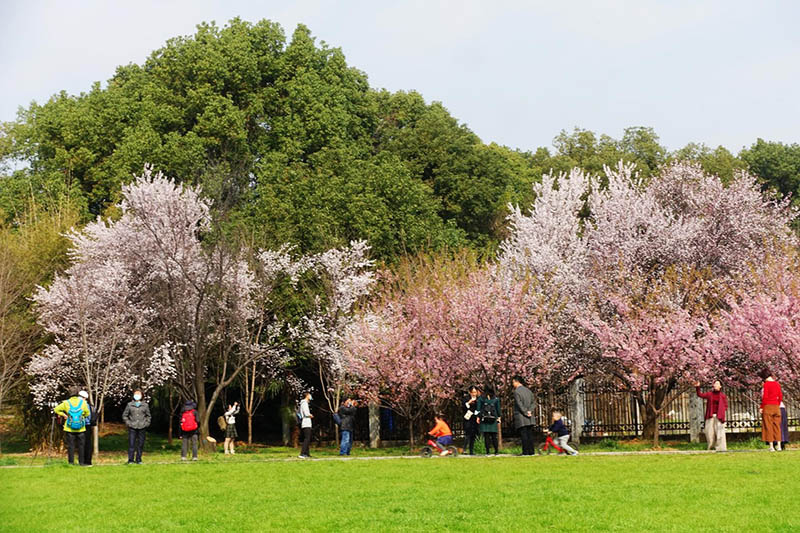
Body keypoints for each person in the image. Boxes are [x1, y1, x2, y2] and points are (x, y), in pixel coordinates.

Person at [53, 386, 90, 466]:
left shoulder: (66, 403)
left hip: (69, 428)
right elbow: (87, 413)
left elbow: (56, 409)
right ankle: (81, 462)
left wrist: (64, 415)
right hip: (81, 428)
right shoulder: (83, 403)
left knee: (71, 446)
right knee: (81, 446)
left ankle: (71, 462)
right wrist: (82, 416)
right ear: (78, 394)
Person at [694, 380, 728, 452]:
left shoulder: (723, 396)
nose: (715, 385)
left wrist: (721, 412)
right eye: (715, 383)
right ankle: (711, 446)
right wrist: (697, 387)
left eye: (717, 384)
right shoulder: (710, 394)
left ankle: (720, 448)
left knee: (720, 433)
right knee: (709, 432)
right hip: (710, 416)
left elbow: (725, 406)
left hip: (719, 416)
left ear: (720, 386)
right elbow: (700, 394)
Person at [122, 389, 151, 464]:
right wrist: (128, 423)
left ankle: (139, 459)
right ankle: (130, 460)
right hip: (132, 427)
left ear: (142, 396)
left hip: (142, 427)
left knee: (140, 444)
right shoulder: (129, 405)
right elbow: (125, 415)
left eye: (139, 394)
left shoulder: (145, 405)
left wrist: (146, 423)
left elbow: (148, 416)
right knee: (131, 444)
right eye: (136, 394)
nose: (137, 395)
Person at [760, 371, 783, 451]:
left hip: (768, 407)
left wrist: (762, 407)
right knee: (777, 426)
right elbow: (780, 396)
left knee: (768, 426)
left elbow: (765, 397)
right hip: (776, 406)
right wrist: (777, 403)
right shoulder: (777, 384)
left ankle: (771, 446)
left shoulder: (766, 384)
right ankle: (779, 445)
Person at [512, 375, 535, 455]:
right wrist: (530, 411)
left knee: (524, 435)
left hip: (522, 416)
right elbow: (533, 403)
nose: (513, 384)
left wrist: (525, 412)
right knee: (530, 434)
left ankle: (525, 451)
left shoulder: (516, 392)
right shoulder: (529, 391)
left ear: (516, 381)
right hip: (530, 416)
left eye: (513, 382)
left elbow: (519, 404)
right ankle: (531, 451)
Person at [476, 386, 501, 455]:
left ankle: (488, 452)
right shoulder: (496, 399)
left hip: (484, 419)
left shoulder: (481, 398)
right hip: (493, 419)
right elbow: (498, 409)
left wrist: (478, 417)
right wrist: (499, 417)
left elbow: (478, 409)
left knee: (486, 436)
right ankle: (496, 451)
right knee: (494, 436)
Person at [79, 390, 98, 466]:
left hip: (84, 425)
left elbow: (87, 416)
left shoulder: (84, 406)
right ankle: (87, 461)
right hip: (87, 425)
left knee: (84, 444)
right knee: (87, 444)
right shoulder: (88, 405)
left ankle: (84, 461)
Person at [463, 386, 481, 455]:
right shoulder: (466, 398)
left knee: (473, 435)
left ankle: (471, 451)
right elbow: (463, 407)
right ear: (470, 392)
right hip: (468, 418)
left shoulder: (478, 399)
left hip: (475, 418)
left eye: (475, 392)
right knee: (468, 434)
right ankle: (464, 449)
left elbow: (479, 408)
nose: (474, 394)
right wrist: (469, 402)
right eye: (473, 392)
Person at [299, 391, 314, 458]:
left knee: (308, 438)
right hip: (306, 422)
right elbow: (306, 413)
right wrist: (310, 415)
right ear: (307, 395)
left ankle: (307, 453)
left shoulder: (305, 403)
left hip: (307, 422)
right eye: (309, 395)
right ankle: (302, 453)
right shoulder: (304, 403)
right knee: (307, 438)